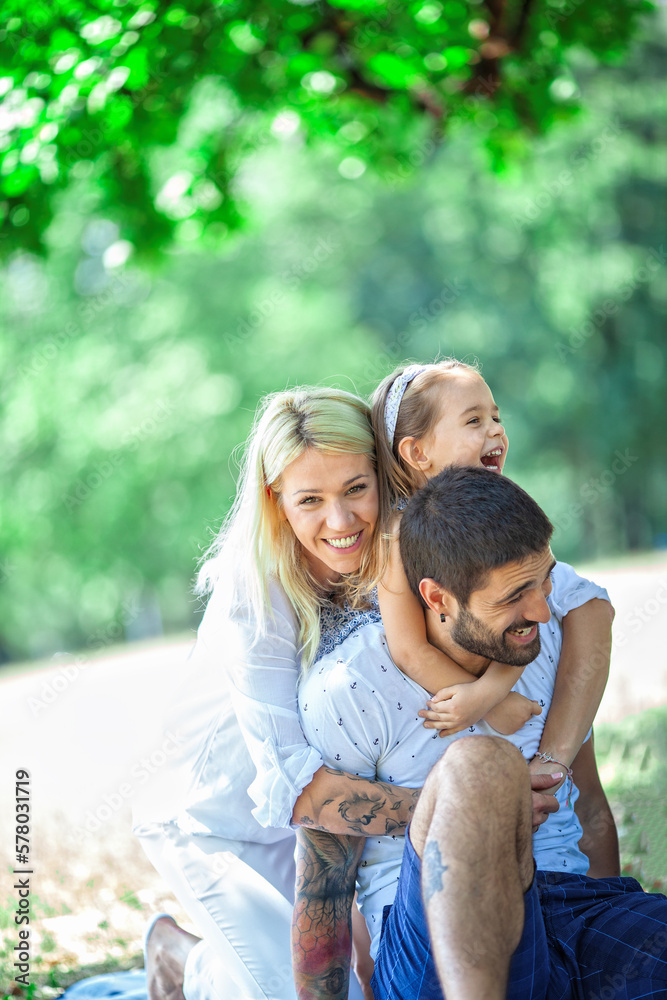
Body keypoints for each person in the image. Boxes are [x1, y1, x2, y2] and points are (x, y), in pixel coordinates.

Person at [292, 467, 667, 1000]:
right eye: (515, 595)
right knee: (482, 768)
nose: (540, 609)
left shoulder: (548, 638)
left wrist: (607, 920)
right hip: (431, 935)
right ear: (437, 597)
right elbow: (323, 888)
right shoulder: (349, 687)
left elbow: (587, 804)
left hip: (568, 910)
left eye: (545, 579)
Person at [133, 386, 421, 1000]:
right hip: (211, 821)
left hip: (323, 820)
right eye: (310, 500)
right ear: (277, 502)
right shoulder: (253, 595)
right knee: (294, 994)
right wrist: (459, 809)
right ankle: (181, 960)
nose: (340, 522)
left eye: (355, 489)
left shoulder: (396, 558)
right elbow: (298, 789)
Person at [371, 359, 612, 745]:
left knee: (586, 604)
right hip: (466, 646)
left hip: (514, 633)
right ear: (417, 453)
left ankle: (570, 770)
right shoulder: (395, 537)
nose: (496, 429)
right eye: (474, 421)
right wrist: (486, 702)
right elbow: (410, 648)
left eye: (496, 417)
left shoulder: (501, 506)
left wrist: (490, 693)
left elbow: (528, 618)